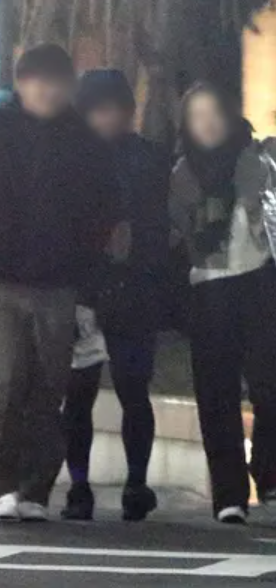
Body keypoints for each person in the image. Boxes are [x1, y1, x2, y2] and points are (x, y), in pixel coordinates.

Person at [169, 82, 276, 524]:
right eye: (196, 115)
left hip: (263, 280)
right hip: (209, 287)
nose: (207, 123)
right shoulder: (180, 175)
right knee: (216, 395)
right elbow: (172, 238)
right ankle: (229, 495)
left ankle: (265, 468)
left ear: (230, 115)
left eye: (214, 112)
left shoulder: (263, 158)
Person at [0, 44, 121, 522]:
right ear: (21, 83)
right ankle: (5, 482)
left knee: (49, 388)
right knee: (7, 383)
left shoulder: (84, 143)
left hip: (60, 285)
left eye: (56, 82)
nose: (47, 91)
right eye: (38, 81)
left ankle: (34, 488)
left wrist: (88, 283)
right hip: (5, 282)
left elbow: (103, 215)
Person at [60, 69, 170, 523]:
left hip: (132, 289)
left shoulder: (149, 159)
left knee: (133, 391)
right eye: (98, 110)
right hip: (86, 291)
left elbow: (161, 226)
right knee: (78, 396)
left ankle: (135, 484)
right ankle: (79, 486)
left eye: (116, 108)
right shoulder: (69, 158)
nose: (108, 118)